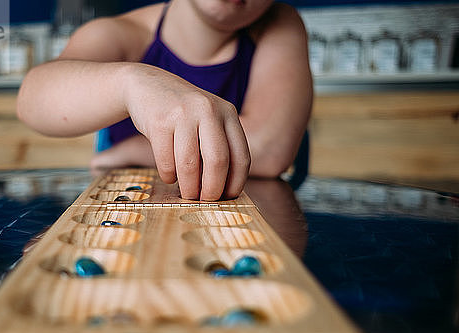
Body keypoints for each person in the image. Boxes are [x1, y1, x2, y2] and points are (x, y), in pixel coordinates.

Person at [17, 0, 312, 201]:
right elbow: (32, 99)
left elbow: (271, 149)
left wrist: (133, 150)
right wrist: (130, 82)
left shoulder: (280, 23)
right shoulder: (118, 33)